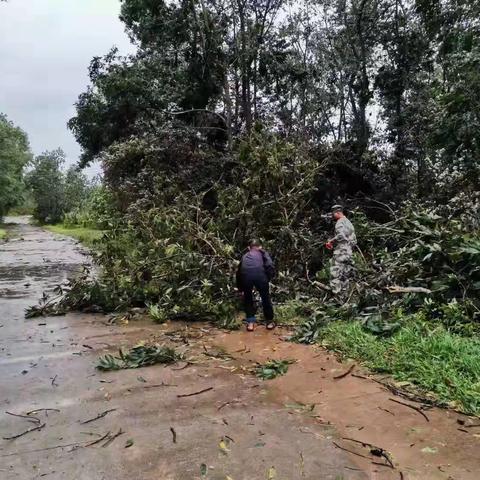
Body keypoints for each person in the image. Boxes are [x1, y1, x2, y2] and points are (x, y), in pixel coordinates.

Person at [236, 239, 275, 332]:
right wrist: (268, 278)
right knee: (265, 298)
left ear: (249, 248)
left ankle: (250, 323)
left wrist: (240, 288)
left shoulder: (245, 256)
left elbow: (238, 272)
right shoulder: (262, 253)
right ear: (260, 246)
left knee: (248, 298)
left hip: (246, 277)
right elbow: (269, 265)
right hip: (260, 276)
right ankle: (269, 322)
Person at [325, 205, 357, 298]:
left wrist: (331, 241)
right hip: (349, 251)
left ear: (338, 213)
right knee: (345, 274)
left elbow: (341, 236)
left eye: (334, 214)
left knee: (335, 272)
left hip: (341, 250)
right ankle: (344, 296)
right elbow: (354, 240)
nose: (333, 216)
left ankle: (336, 295)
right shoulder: (348, 223)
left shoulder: (340, 222)